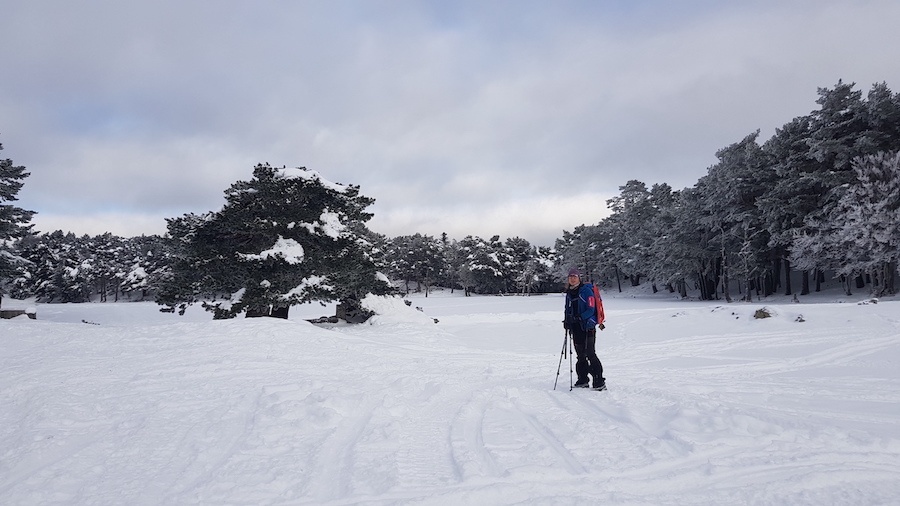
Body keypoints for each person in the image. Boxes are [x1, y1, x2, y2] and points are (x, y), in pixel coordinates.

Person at [563, 268, 606, 390]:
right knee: (580, 355)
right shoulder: (569, 293)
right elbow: (567, 309)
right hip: (576, 327)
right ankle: (583, 379)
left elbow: (591, 309)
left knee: (590, 353)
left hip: (587, 326)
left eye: (575, 276)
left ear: (579, 278)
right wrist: (566, 320)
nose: (572, 278)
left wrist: (579, 317)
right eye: (570, 276)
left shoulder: (586, 291)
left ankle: (599, 381)